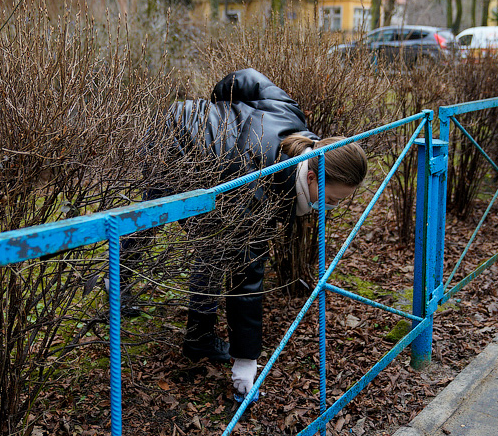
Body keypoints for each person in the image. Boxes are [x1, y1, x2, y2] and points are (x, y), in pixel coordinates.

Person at [133, 68, 368, 399]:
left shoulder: (290, 115)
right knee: (153, 221)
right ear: (313, 178)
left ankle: (197, 337)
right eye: (328, 200)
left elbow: (244, 78)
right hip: (173, 144)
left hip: (194, 129)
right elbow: (247, 283)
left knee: (217, 242)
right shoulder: (258, 197)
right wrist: (246, 362)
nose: (327, 209)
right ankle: (120, 283)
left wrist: (220, 113)